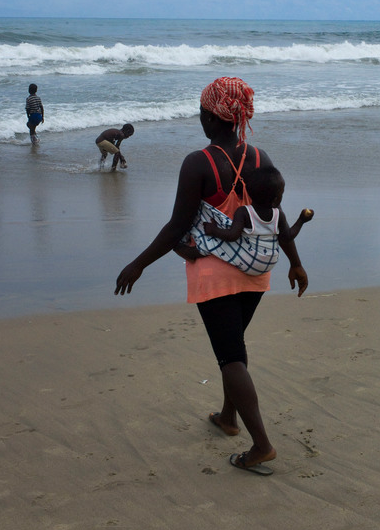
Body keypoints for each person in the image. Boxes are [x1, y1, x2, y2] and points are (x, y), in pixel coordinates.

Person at [115, 77, 308, 474]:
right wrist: (295, 261)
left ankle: (262, 446)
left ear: (211, 117)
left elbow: (177, 226)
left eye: (202, 112)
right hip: (256, 272)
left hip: (215, 274)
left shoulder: (198, 163)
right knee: (233, 346)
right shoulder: (260, 157)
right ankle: (228, 416)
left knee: (229, 356)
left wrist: (138, 264)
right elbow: (275, 216)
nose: (199, 118)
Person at [179, 165, 313, 275]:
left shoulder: (244, 212)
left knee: (214, 244)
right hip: (271, 262)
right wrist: (301, 220)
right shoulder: (279, 215)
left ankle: (187, 250)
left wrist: (213, 230)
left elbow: (232, 235)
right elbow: (287, 237)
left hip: (250, 262)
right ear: (276, 199)